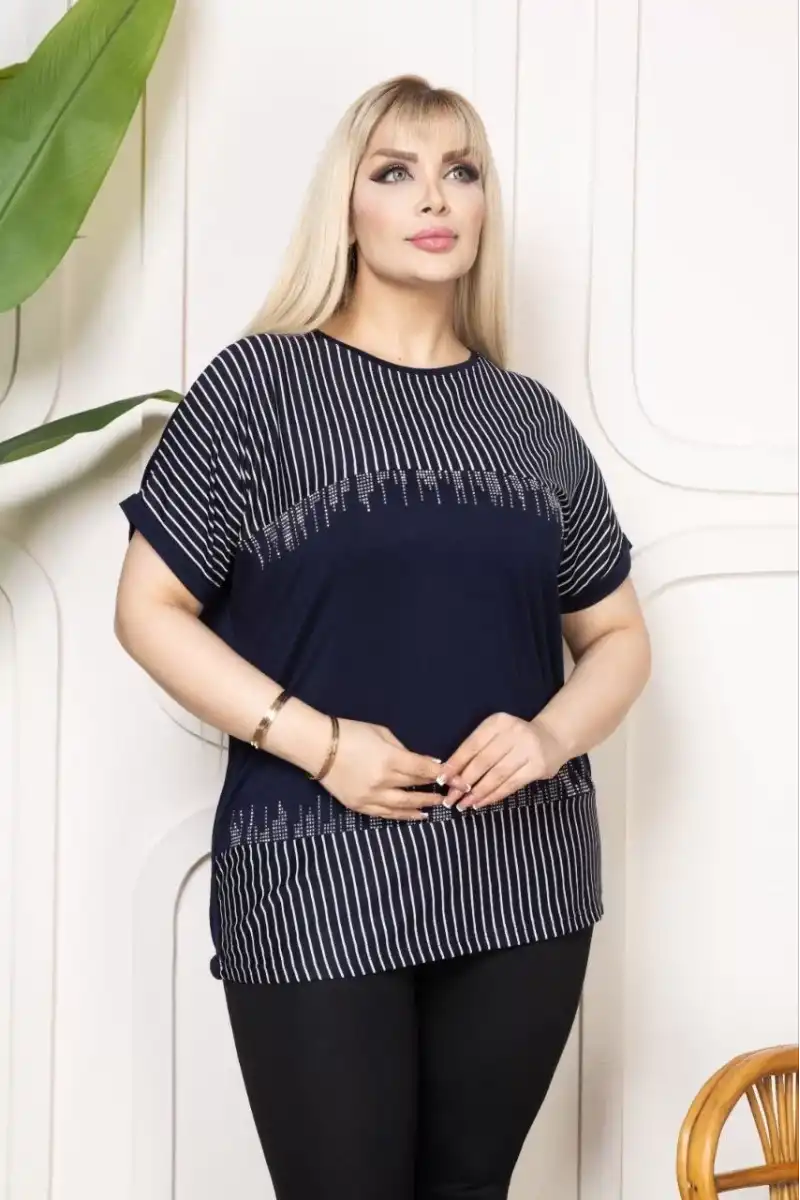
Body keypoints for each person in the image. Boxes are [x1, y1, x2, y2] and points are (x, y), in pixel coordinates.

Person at [114, 73, 651, 1200]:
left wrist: (549, 739)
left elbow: (616, 637)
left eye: (461, 171)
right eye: (396, 172)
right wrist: (320, 744)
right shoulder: (257, 388)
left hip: (524, 880)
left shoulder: (530, 420)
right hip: (312, 872)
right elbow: (147, 609)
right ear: (346, 207)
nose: (434, 198)